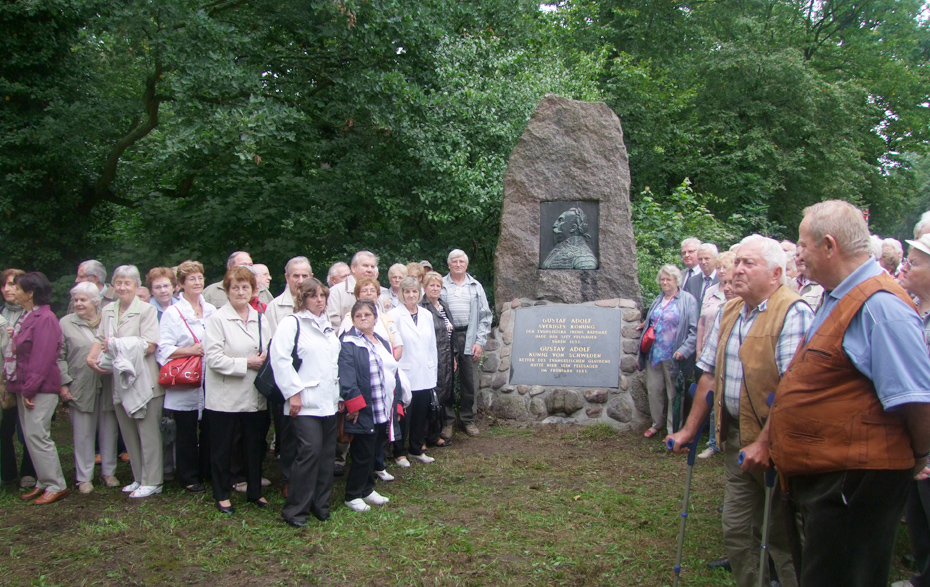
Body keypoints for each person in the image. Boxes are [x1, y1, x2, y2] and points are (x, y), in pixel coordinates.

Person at [769, 200, 930, 587]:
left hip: (856, 485)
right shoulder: (838, 296)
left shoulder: (880, 306)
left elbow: (917, 400)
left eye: (803, 245)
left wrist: (920, 457)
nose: (798, 255)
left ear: (829, 245)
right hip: (834, 479)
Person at [667, 235, 811, 587]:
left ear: (776, 273)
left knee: (779, 534)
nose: (738, 269)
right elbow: (710, 375)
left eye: (750, 263)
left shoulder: (793, 313)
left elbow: (793, 393)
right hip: (735, 441)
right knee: (735, 529)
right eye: (739, 262)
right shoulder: (731, 310)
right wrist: (689, 430)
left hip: (777, 447)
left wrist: (765, 444)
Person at [87, 265, 164, 499]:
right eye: (118, 282)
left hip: (144, 381)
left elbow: (150, 344)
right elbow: (100, 339)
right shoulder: (109, 309)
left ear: (136, 285)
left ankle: (154, 481)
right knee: (128, 431)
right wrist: (91, 357)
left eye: (127, 283)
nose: (122, 287)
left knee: (147, 432)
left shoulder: (147, 310)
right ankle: (139, 477)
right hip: (119, 381)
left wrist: (119, 346)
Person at [271, 278, 340, 526]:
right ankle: (295, 510)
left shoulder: (328, 325)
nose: (319, 300)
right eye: (313, 296)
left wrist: (339, 396)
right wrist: (293, 393)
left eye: (322, 295)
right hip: (304, 401)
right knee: (309, 452)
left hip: (329, 401)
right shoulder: (292, 323)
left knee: (326, 456)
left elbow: (332, 364)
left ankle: (320, 506)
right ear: (303, 298)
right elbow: (280, 360)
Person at [203, 266, 270, 514]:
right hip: (225, 397)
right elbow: (214, 359)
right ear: (227, 291)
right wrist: (247, 363)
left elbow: (267, 351)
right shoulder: (217, 319)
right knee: (223, 447)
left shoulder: (261, 318)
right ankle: (222, 493)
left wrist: (263, 360)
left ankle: (255, 491)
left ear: (253, 290)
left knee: (254, 446)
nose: (240, 292)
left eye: (245, 287)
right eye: (235, 287)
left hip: (254, 395)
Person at [7, 272, 68, 505]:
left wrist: (29, 390)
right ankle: (44, 482)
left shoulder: (45, 318)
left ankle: (56, 485)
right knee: (31, 438)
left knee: (38, 436)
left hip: (40, 388)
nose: (13, 291)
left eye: (18, 288)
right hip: (28, 387)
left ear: (30, 293)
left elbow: (41, 359)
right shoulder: (29, 316)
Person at [156, 261, 216, 493]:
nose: (197, 282)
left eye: (200, 277)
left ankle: (207, 470)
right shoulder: (173, 313)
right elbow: (164, 349)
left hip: (209, 376)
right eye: (191, 279)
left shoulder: (211, 310)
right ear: (180, 284)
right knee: (186, 429)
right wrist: (191, 350)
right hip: (185, 378)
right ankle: (188, 475)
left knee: (210, 426)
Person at [339, 299, 401, 512]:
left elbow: (393, 371)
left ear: (375, 318)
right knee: (362, 452)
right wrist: (354, 405)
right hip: (364, 408)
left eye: (367, 314)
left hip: (383, 406)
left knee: (375, 449)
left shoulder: (381, 341)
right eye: (358, 316)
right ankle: (353, 494)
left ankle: (367, 489)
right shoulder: (349, 343)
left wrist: (398, 403)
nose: (363, 318)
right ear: (353, 320)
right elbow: (346, 376)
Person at [58, 282, 120, 493]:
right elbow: (59, 357)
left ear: (96, 302)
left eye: (83, 300)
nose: (78, 304)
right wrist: (64, 383)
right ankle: (84, 477)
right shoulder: (65, 323)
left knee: (109, 429)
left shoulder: (109, 319)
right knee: (83, 432)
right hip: (80, 385)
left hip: (109, 383)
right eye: (75, 300)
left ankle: (109, 472)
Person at [896, 233, 930, 587]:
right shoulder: (911, 308)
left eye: (915, 262)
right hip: (914, 431)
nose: (906, 265)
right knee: (917, 515)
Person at [264, 256, 313, 491]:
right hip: (286, 379)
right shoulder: (276, 307)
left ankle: (307, 477)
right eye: (296, 275)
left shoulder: (318, 302)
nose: (300, 280)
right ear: (287, 278)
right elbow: (275, 348)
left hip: (312, 377)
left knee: (310, 431)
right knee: (287, 431)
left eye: (305, 275)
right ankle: (288, 479)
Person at [637, 265, 697, 437]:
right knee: (654, 390)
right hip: (654, 353)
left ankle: (674, 429)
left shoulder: (687, 300)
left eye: (668, 279)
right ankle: (657, 423)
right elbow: (653, 320)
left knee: (674, 393)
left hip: (674, 354)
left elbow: (694, 330)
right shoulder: (658, 298)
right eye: (662, 279)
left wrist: (684, 350)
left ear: (676, 281)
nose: (664, 282)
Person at [440, 249, 492, 438]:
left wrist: (479, 341)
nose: (458, 264)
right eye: (454, 261)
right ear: (449, 265)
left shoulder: (475, 286)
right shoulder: (441, 285)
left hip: (469, 337)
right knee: (448, 381)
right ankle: (447, 422)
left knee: (469, 381)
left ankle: (468, 420)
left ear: (467, 264)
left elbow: (485, 316)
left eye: (461, 261)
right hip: (447, 338)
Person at [389, 277, 438, 466]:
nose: (411, 295)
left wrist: (433, 369)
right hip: (405, 372)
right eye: (407, 292)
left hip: (425, 372)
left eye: (415, 291)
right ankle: (399, 452)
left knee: (420, 413)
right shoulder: (393, 315)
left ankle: (417, 448)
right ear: (402, 293)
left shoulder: (426, 314)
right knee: (404, 414)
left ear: (420, 293)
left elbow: (432, 345)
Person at [695, 251, 736, 460]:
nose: (720, 272)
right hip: (713, 349)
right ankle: (714, 442)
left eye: (724, 269)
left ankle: (730, 442)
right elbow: (702, 322)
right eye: (719, 268)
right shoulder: (711, 292)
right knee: (715, 397)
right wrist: (700, 349)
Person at [0, 267, 35, 488]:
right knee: (4, 429)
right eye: (4, 284)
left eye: (13, 284)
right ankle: (7, 473)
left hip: (25, 379)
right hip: (3, 381)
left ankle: (29, 472)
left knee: (27, 430)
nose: (7, 289)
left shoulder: (33, 313)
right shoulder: (1, 314)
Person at [420, 271, 454, 448]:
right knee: (428, 397)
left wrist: (453, 357)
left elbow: (450, 334)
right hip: (431, 359)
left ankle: (435, 435)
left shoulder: (443, 305)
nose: (435, 288)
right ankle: (422, 438)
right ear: (424, 288)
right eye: (431, 285)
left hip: (446, 358)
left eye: (438, 285)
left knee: (441, 397)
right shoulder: (422, 307)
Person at [203, 251, 273, 308]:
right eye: (243, 265)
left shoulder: (262, 290)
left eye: (250, 265)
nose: (248, 268)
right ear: (230, 267)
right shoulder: (211, 291)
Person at [326, 250, 378, 328]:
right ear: (353, 268)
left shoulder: (376, 292)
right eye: (365, 266)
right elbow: (333, 324)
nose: (369, 270)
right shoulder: (336, 292)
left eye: (372, 267)